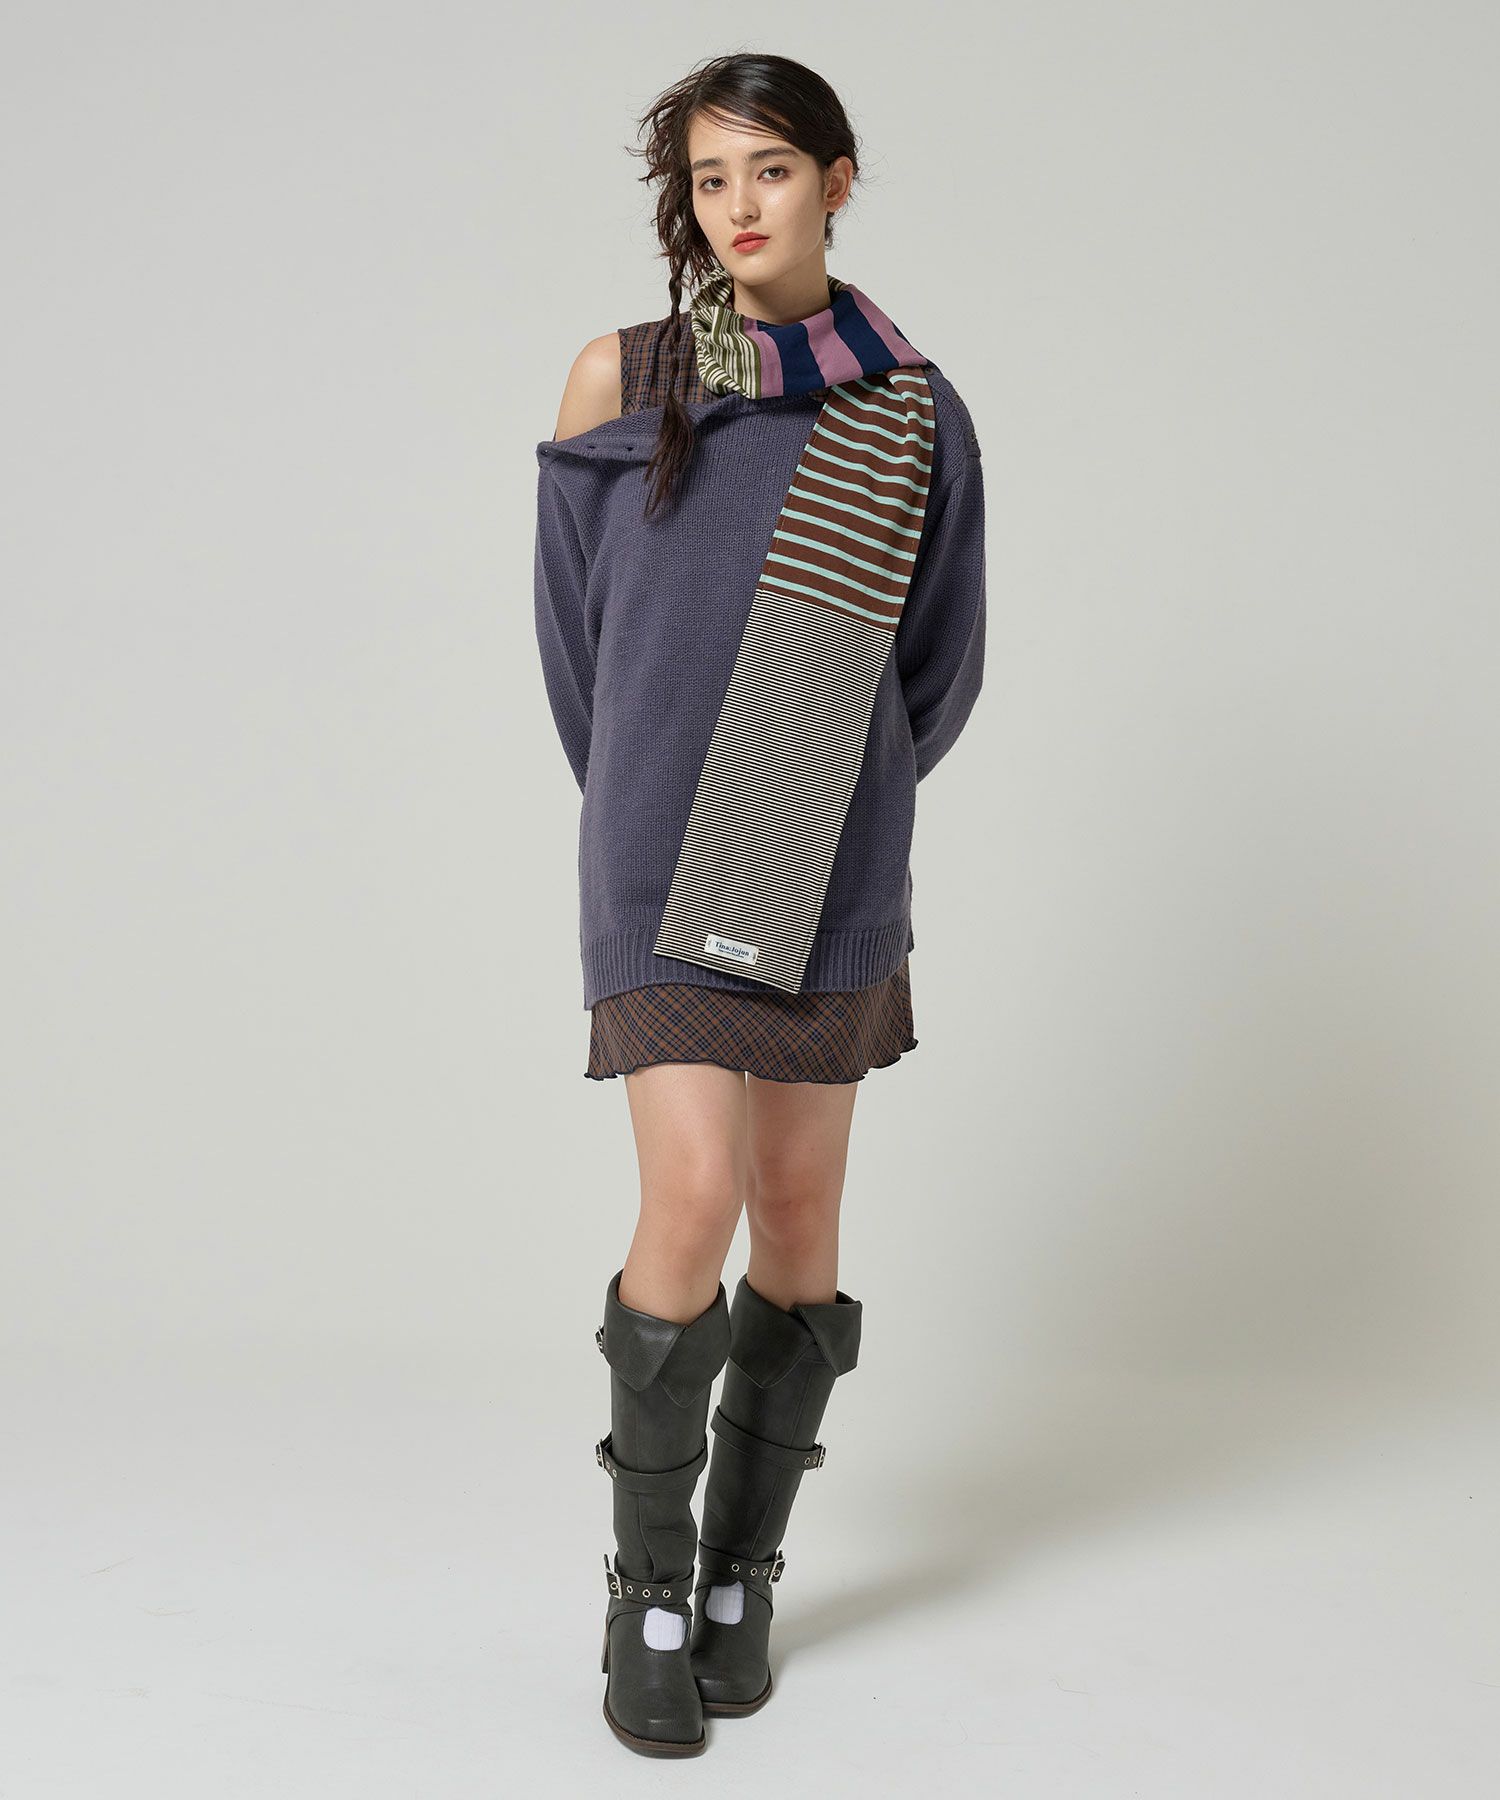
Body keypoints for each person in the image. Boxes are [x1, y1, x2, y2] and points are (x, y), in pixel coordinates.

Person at [532, 51, 988, 1758]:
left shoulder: (910, 408)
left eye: (772, 170)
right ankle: (646, 1592)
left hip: (830, 839)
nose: (739, 205)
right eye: (711, 177)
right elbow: (577, 639)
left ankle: (742, 1572)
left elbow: (936, 668)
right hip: (658, 845)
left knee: (798, 1215)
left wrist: (819, 784)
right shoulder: (626, 375)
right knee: (695, 1193)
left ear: (836, 182)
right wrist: (654, 787)